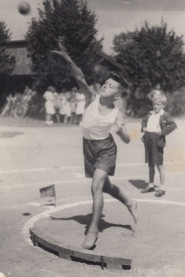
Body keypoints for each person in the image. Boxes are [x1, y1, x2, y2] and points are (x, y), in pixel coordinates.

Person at [51, 39, 138, 250]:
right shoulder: (91, 98)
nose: (105, 86)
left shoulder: (117, 113)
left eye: (110, 86)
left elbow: (127, 139)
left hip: (106, 149)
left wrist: (121, 132)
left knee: (96, 186)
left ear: (117, 94)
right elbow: (79, 76)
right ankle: (129, 202)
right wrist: (67, 58)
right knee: (105, 186)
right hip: (88, 148)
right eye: (105, 83)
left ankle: (93, 231)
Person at [141, 95, 177, 197]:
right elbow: (144, 120)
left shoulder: (165, 114)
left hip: (157, 140)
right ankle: (151, 185)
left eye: (158, 104)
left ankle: (162, 187)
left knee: (159, 164)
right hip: (148, 138)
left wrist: (162, 132)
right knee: (150, 164)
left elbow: (173, 125)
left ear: (163, 105)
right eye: (154, 104)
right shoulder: (150, 113)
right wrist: (143, 127)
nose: (155, 106)